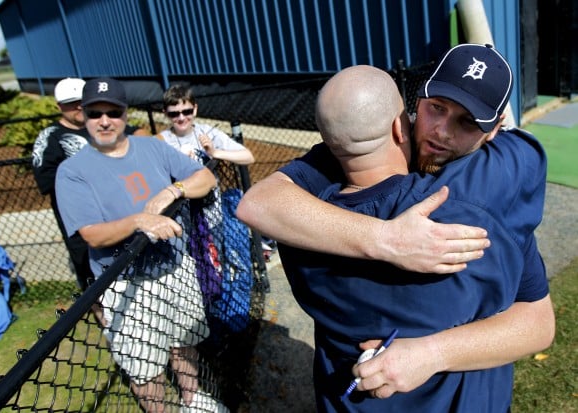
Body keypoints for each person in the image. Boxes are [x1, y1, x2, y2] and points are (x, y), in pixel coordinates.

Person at [236, 45, 555, 410]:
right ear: (410, 107)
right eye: (437, 107)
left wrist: (432, 353)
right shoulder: (501, 186)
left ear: (495, 130)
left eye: (468, 122)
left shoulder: (493, 196)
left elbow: (538, 323)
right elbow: (258, 203)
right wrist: (387, 239)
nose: (442, 132)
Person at [55, 77, 228, 413]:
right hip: (124, 284)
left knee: (184, 343)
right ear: (84, 116)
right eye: (95, 113)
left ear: (125, 113)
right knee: (144, 368)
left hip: (175, 267)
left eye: (113, 112)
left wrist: (173, 190)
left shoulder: (150, 147)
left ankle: (193, 401)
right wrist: (138, 221)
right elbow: (91, 234)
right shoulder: (72, 171)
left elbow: (205, 178)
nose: (105, 120)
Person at [32, 77, 149, 291]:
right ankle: (100, 314)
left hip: (122, 212)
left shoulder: (100, 125)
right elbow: (46, 180)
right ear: (59, 106)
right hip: (85, 221)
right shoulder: (50, 137)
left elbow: (137, 135)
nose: (77, 106)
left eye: (81, 101)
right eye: (70, 102)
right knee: (91, 273)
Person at [159, 84, 255, 166]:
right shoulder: (161, 141)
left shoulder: (207, 132)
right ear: (166, 114)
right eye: (174, 114)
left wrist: (214, 152)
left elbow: (248, 157)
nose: (181, 118)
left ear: (195, 109)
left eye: (187, 112)